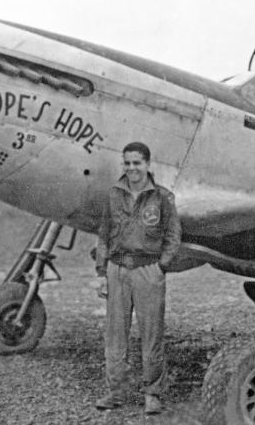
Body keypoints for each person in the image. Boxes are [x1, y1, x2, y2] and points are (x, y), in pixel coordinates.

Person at [94, 141, 181, 415]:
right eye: (127, 163)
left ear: (147, 165)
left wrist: (160, 267)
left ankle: (153, 394)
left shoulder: (163, 197)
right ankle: (115, 392)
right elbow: (104, 234)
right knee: (115, 335)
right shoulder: (113, 195)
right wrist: (101, 272)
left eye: (137, 163)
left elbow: (173, 236)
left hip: (148, 271)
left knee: (151, 335)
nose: (132, 168)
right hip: (117, 270)